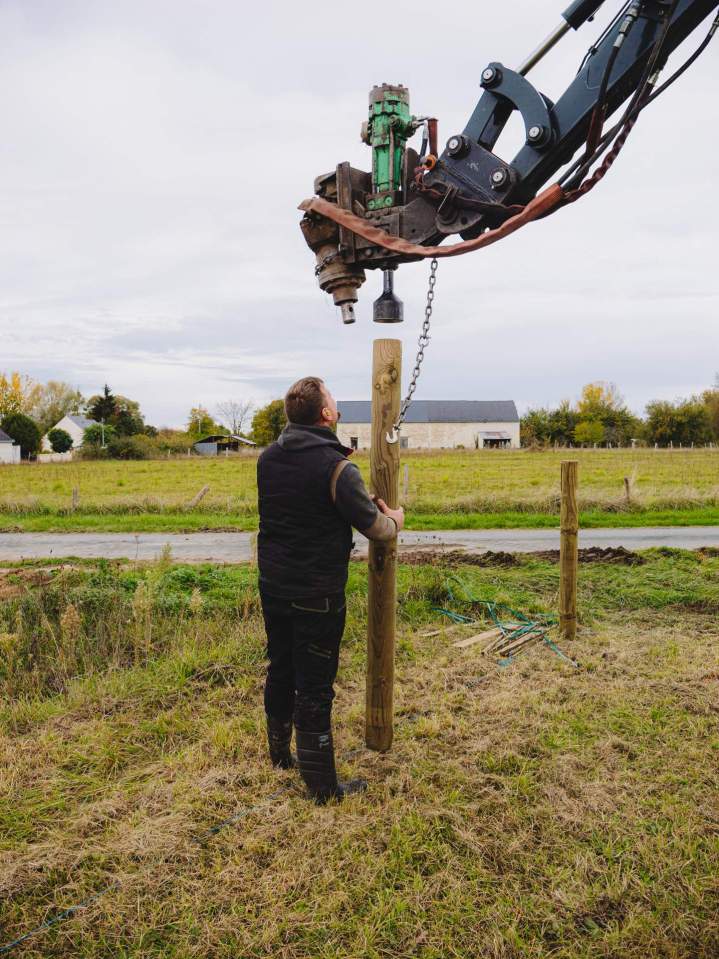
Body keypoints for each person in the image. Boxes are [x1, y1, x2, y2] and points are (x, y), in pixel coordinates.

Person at [257, 376, 405, 803]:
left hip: (274, 585)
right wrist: (396, 516)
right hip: (317, 594)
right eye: (334, 402)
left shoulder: (268, 459)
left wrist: (351, 491)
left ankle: (279, 755)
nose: (338, 407)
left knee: (281, 667)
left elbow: (305, 503)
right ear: (325, 414)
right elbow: (377, 529)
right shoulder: (338, 468)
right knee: (316, 685)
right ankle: (323, 787)